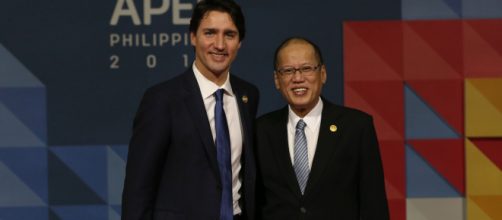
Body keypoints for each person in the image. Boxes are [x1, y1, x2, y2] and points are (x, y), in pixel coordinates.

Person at [121, 0, 259, 219]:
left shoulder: (248, 95)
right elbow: (138, 188)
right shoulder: (162, 99)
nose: (220, 45)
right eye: (210, 33)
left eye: (229, 35)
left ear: (240, 42)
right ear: (193, 37)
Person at [255, 37, 389, 219]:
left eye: (307, 68)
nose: (298, 78)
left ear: (323, 73)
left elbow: (374, 204)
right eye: (287, 71)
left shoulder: (356, 127)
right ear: (277, 80)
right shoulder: (260, 131)